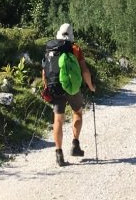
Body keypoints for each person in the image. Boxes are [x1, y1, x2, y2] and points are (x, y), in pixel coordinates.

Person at [42, 22, 95, 167]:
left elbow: (44, 71)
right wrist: (91, 86)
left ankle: (59, 153)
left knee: (58, 119)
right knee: (77, 112)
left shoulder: (50, 49)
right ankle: (75, 144)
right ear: (71, 36)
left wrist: (47, 87)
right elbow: (84, 71)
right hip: (72, 88)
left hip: (55, 87)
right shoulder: (75, 48)